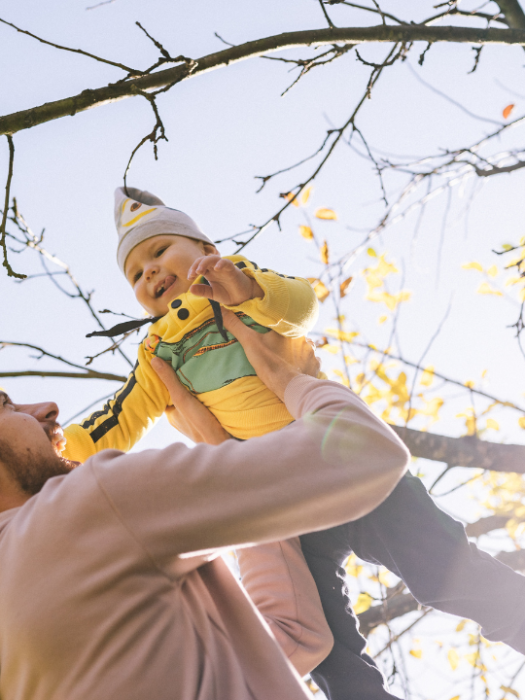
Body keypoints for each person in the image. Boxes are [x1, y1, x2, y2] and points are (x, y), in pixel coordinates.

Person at [64, 186, 525, 699]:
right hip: (278, 503)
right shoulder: (157, 353)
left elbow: (302, 305)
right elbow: (118, 419)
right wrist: (57, 454)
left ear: (204, 248)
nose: (147, 271)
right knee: (317, 645)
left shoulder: (243, 286)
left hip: (335, 459)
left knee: (443, 570)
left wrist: (242, 288)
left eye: (158, 250)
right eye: (134, 274)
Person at [0, 313, 410, 700]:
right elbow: (365, 453)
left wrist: (222, 455)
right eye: (7, 404)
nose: (47, 407)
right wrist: (288, 376)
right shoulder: (88, 504)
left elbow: (285, 641)